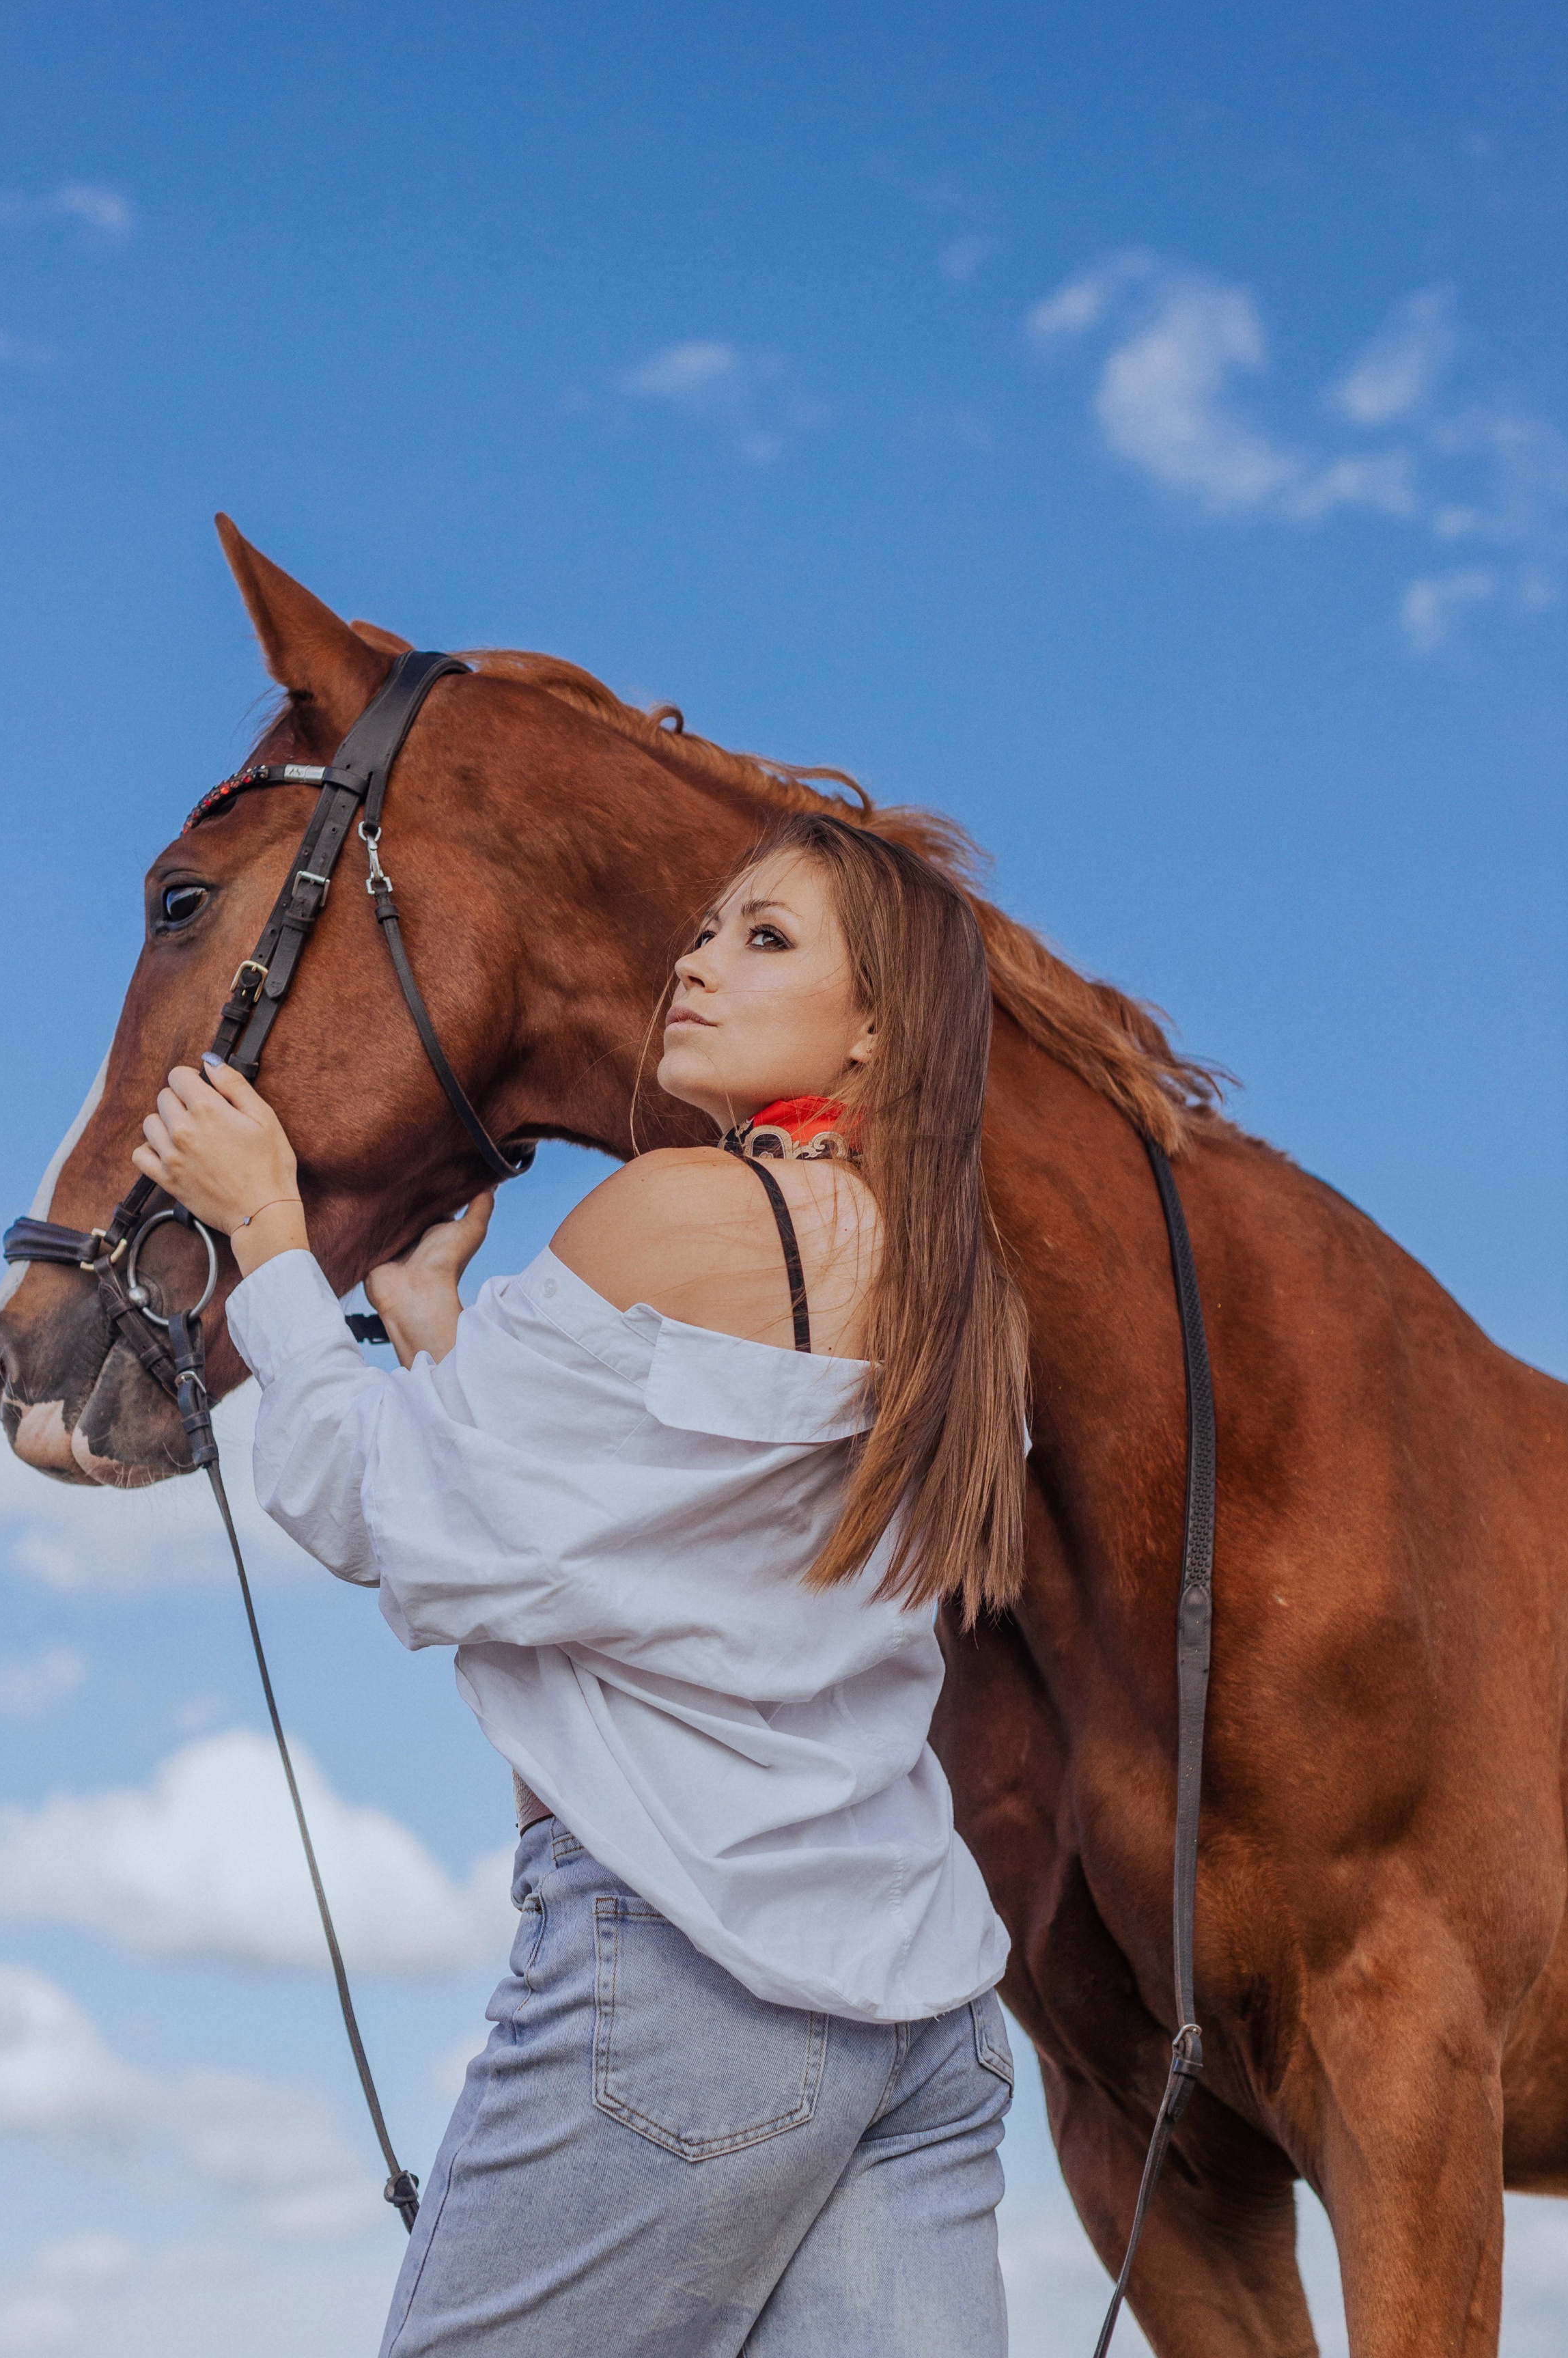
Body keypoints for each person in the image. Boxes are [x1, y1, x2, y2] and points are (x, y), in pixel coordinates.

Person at [132, 810, 1030, 2358]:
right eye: (705, 929)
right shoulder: (962, 1292)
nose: (696, 963)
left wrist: (268, 1226)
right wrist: (434, 1330)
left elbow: (372, 1505)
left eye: (766, 939)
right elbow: (658, 1534)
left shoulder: (680, 1213)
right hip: (925, 2021)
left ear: (881, 1029)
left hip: (691, 1988)